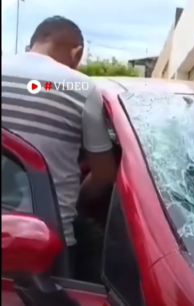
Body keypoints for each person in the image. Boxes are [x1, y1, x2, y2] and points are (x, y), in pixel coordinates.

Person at [1, 16, 117, 274]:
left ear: (34, 43)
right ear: (76, 53)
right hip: (44, 242)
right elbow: (104, 174)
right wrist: (77, 204)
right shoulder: (81, 87)